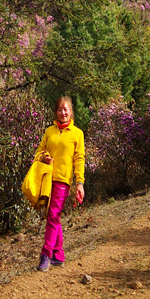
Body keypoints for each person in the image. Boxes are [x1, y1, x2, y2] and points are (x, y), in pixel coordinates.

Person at [34, 96, 85, 272]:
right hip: (48, 179)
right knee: (53, 216)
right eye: (59, 110)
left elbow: (79, 159)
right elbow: (39, 151)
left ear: (71, 112)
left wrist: (79, 182)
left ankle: (45, 255)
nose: (63, 113)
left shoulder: (77, 133)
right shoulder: (49, 131)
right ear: (56, 112)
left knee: (53, 215)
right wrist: (44, 157)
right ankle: (58, 255)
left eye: (66, 109)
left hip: (64, 180)